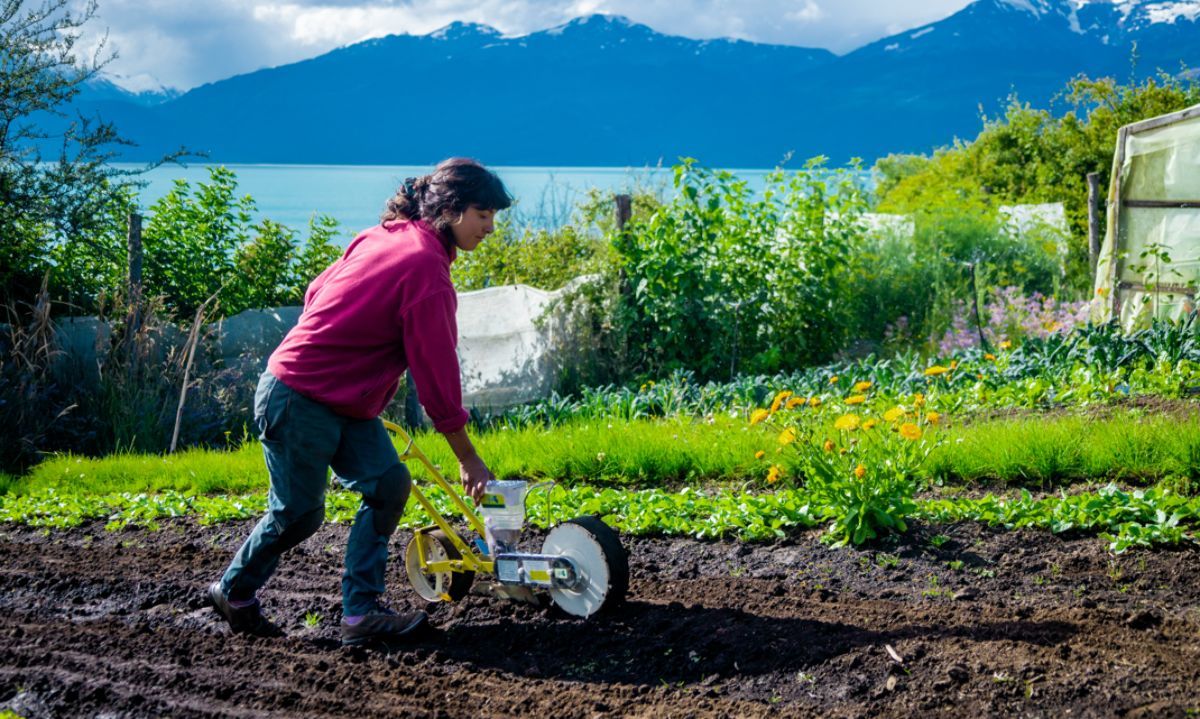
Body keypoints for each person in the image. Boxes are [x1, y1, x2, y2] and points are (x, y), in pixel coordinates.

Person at [207, 157, 511, 645]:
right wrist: (469, 458)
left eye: (494, 216)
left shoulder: (385, 235)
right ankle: (233, 590)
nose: (490, 227)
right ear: (452, 209)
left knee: (390, 483)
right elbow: (436, 378)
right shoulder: (425, 270)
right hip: (298, 395)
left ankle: (360, 614)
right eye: (483, 214)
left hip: (342, 401)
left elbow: (316, 291)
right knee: (300, 514)